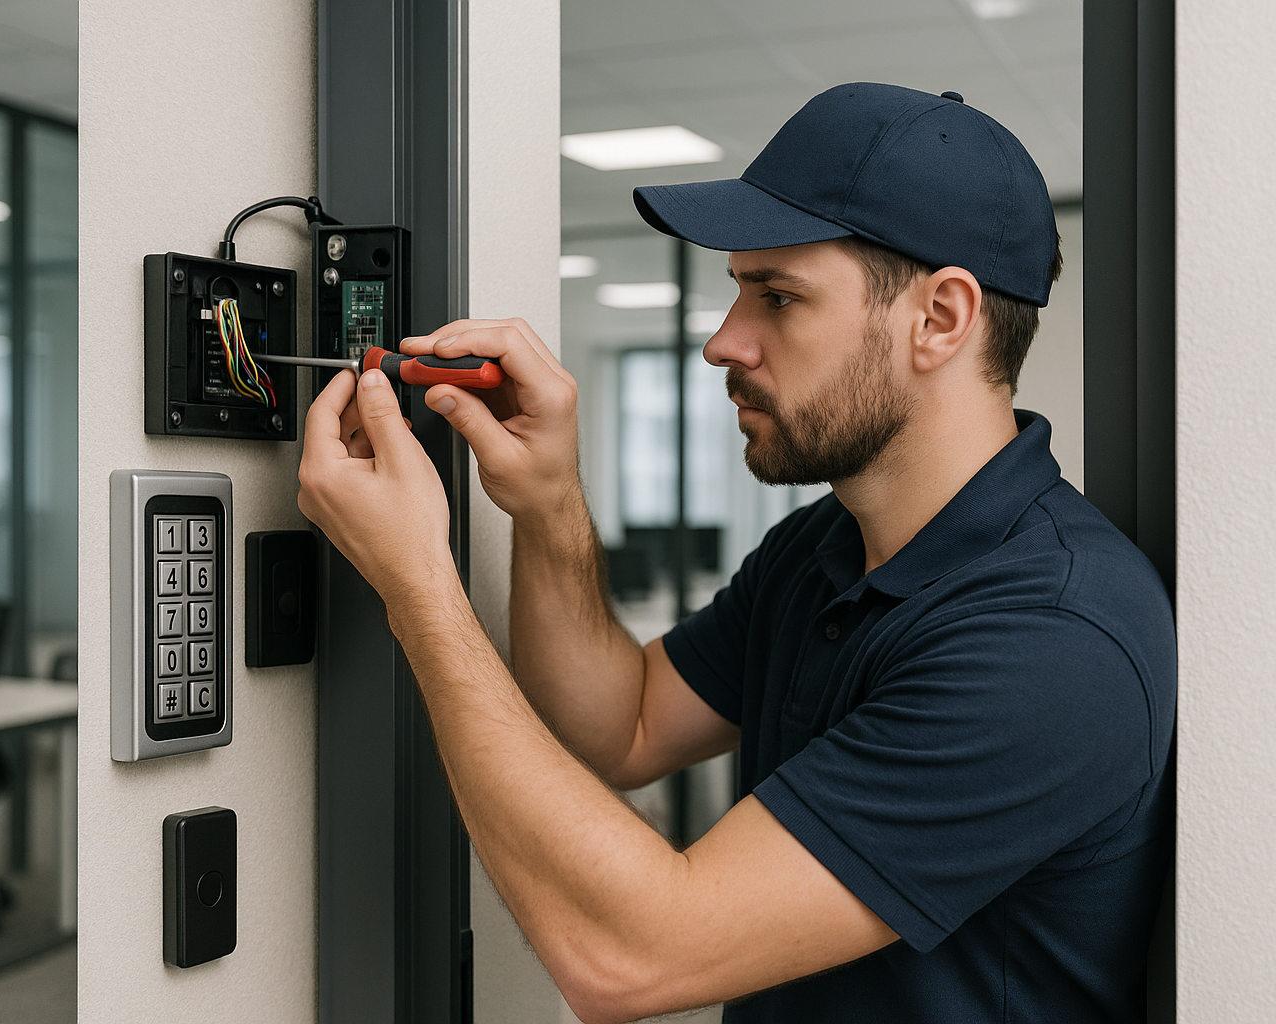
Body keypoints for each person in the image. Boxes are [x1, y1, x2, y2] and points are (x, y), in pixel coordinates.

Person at [296, 82, 1175, 1024]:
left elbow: (631, 959)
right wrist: (549, 503)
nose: (722, 343)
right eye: (735, 293)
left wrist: (420, 588)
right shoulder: (827, 543)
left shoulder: (1051, 639)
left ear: (941, 319)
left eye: (778, 298)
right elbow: (622, 726)